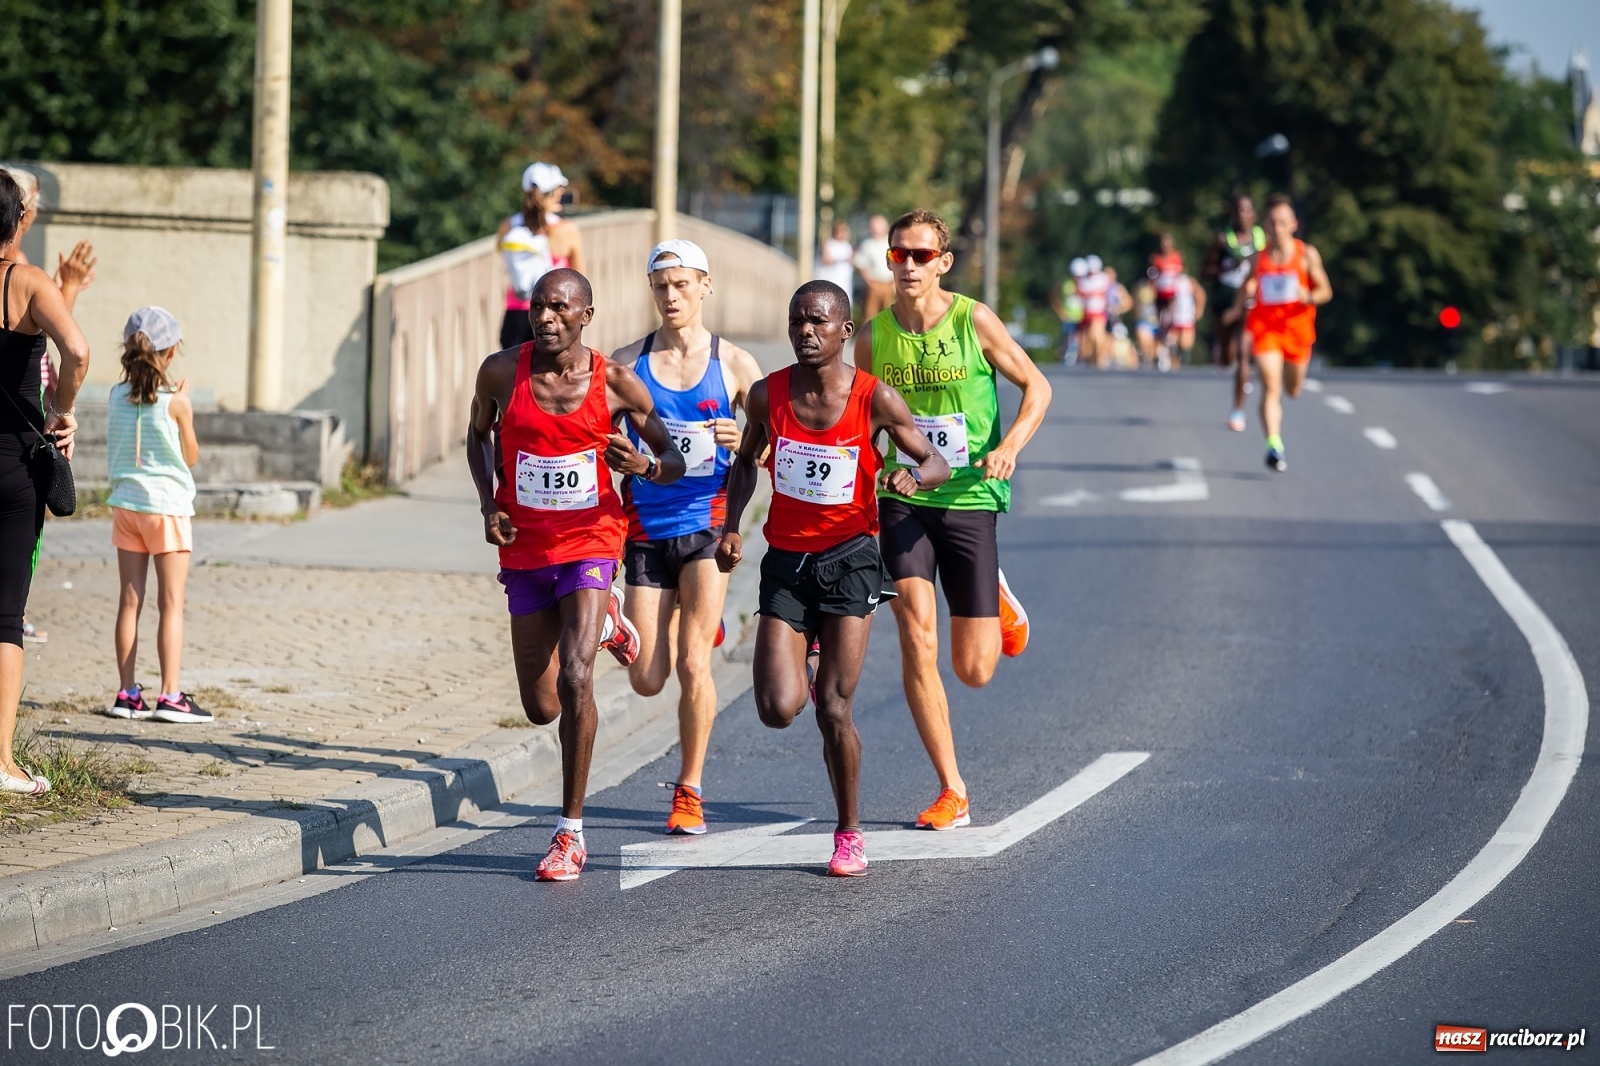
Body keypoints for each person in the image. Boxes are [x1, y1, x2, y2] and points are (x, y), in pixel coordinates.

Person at [716, 280, 949, 876]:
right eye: (797, 321)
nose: (806, 331)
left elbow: (936, 460)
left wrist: (913, 477)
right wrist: (732, 526)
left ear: (845, 331)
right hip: (787, 563)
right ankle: (811, 652)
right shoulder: (768, 394)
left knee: (834, 709)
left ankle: (849, 833)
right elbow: (745, 463)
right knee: (776, 707)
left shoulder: (875, 398)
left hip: (851, 561)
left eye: (818, 321)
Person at [467, 268, 686, 882]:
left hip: (592, 540)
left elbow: (672, 459)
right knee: (541, 708)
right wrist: (488, 504)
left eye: (560, 308)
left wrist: (642, 464)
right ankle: (611, 623)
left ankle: (571, 832)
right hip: (526, 546)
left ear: (586, 315)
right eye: (539, 306)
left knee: (576, 677)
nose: (546, 317)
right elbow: (477, 436)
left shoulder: (616, 383)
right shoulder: (501, 372)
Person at [855, 209, 1052, 832]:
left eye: (920, 255)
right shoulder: (873, 336)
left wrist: (1010, 446)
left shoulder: (973, 320)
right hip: (905, 494)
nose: (908, 265)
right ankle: (952, 789)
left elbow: (1038, 387)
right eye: (898, 254)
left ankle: (997, 594)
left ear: (942, 262)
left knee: (974, 670)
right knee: (916, 634)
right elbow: (858, 422)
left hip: (970, 496)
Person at [611, 239, 764, 835]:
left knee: (694, 663)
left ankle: (689, 790)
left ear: (705, 286)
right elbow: (594, 433)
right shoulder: (627, 362)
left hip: (707, 522)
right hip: (646, 527)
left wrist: (742, 440)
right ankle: (690, 617)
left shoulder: (736, 364)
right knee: (647, 678)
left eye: (681, 285)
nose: (671, 296)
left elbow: (775, 447)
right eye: (661, 287)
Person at [0, 170, 89, 794]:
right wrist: (62, 411)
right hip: (13, 462)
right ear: (19, 221)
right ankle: (2, 761)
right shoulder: (28, 283)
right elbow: (76, 351)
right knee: (5, 616)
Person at [106, 308, 210, 723]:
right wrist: (185, 410)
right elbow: (191, 456)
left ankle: (127, 694)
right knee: (171, 604)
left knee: (129, 602)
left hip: (127, 506)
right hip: (167, 509)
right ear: (170, 352)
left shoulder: (115, 396)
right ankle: (170, 695)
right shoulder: (174, 402)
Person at [1232, 194, 1332, 472]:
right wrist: (1237, 306)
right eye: (1273, 223)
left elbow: (1326, 291)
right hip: (1266, 330)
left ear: (1293, 224)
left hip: (1298, 331)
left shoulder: (1306, 254)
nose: (1277, 229)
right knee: (1271, 386)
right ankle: (1274, 445)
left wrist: (1308, 295)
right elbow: (1246, 285)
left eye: (1283, 223)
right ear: (1265, 225)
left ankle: (1275, 439)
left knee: (1292, 389)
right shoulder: (1258, 258)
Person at [495, 162, 584, 351]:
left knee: (515, 368)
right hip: (553, 315)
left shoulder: (508, 226)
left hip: (516, 315)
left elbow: (500, 252)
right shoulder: (566, 230)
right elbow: (579, 276)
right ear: (552, 192)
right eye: (559, 188)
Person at [1200, 193, 1266, 430]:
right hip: (1224, 302)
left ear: (1254, 214)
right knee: (1228, 359)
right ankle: (1223, 350)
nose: (1242, 215)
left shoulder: (1262, 240)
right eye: (1238, 210)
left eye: (1246, 210)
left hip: (1250, 302)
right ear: (1232, 214)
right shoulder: (1222, 240)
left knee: (1244, 353)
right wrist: (1226, 268)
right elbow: (1205, 271)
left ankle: (1237, 410)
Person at [854, 215, 895, 321]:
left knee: (889, 314)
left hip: (889, 284)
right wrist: (869, 281)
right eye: (873, 227)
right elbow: (862, 264)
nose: (875, 230)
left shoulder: (891, 243)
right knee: (870, 314)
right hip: (873, 283)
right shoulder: (866, 244)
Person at [1161, 274, 1206, 371]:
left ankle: (1181, 359)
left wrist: (1199, 309)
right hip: (1174, 317)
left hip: (1186, 317)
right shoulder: (1167, 280)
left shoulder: (1188, 281)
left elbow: (1200, 293)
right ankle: (1173, 363)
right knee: (1171, 342)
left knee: (1186, 344)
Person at [1050, 258, 1087, 365]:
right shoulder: (1065, 283)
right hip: (1068, 317)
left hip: (1082, 317)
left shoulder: (1087, 284)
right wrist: (1060, 312)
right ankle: (1063, 359)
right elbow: (1055, 298)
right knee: (1066, 339)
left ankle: (1081, 360)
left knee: (1082, 340)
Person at [1076, 255, 1110, 367]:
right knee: (1088, 338)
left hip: (1098, 312)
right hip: (1086, 312)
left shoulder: (1103, 278)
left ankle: (1101, 358)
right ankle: (1091, 358)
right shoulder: (1083, 280)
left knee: (1097, 336)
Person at [1148, 233, 1185, 322]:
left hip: (1173, 293)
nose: (1165, 247)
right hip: (1160, 293)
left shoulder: (1177, 257)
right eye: (1163, 244)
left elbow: (1181, 273)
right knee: (1160, 318)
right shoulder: (1155, 258)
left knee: (1172, 317)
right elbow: (1152, 276)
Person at [817, 220, 856, 303]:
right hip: (831, 280)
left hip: (844, 281)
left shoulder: (847, 246)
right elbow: (826, 260)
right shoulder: (830, 244)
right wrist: (842, 260)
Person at [1133, 277, 1160, 368]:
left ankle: (1153, 364)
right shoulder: (1141, 288)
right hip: (1144, 320)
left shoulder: (1161, 288)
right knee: (1145, 345)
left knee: (1154, 350)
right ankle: (1146, 361)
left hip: (1157, 322)